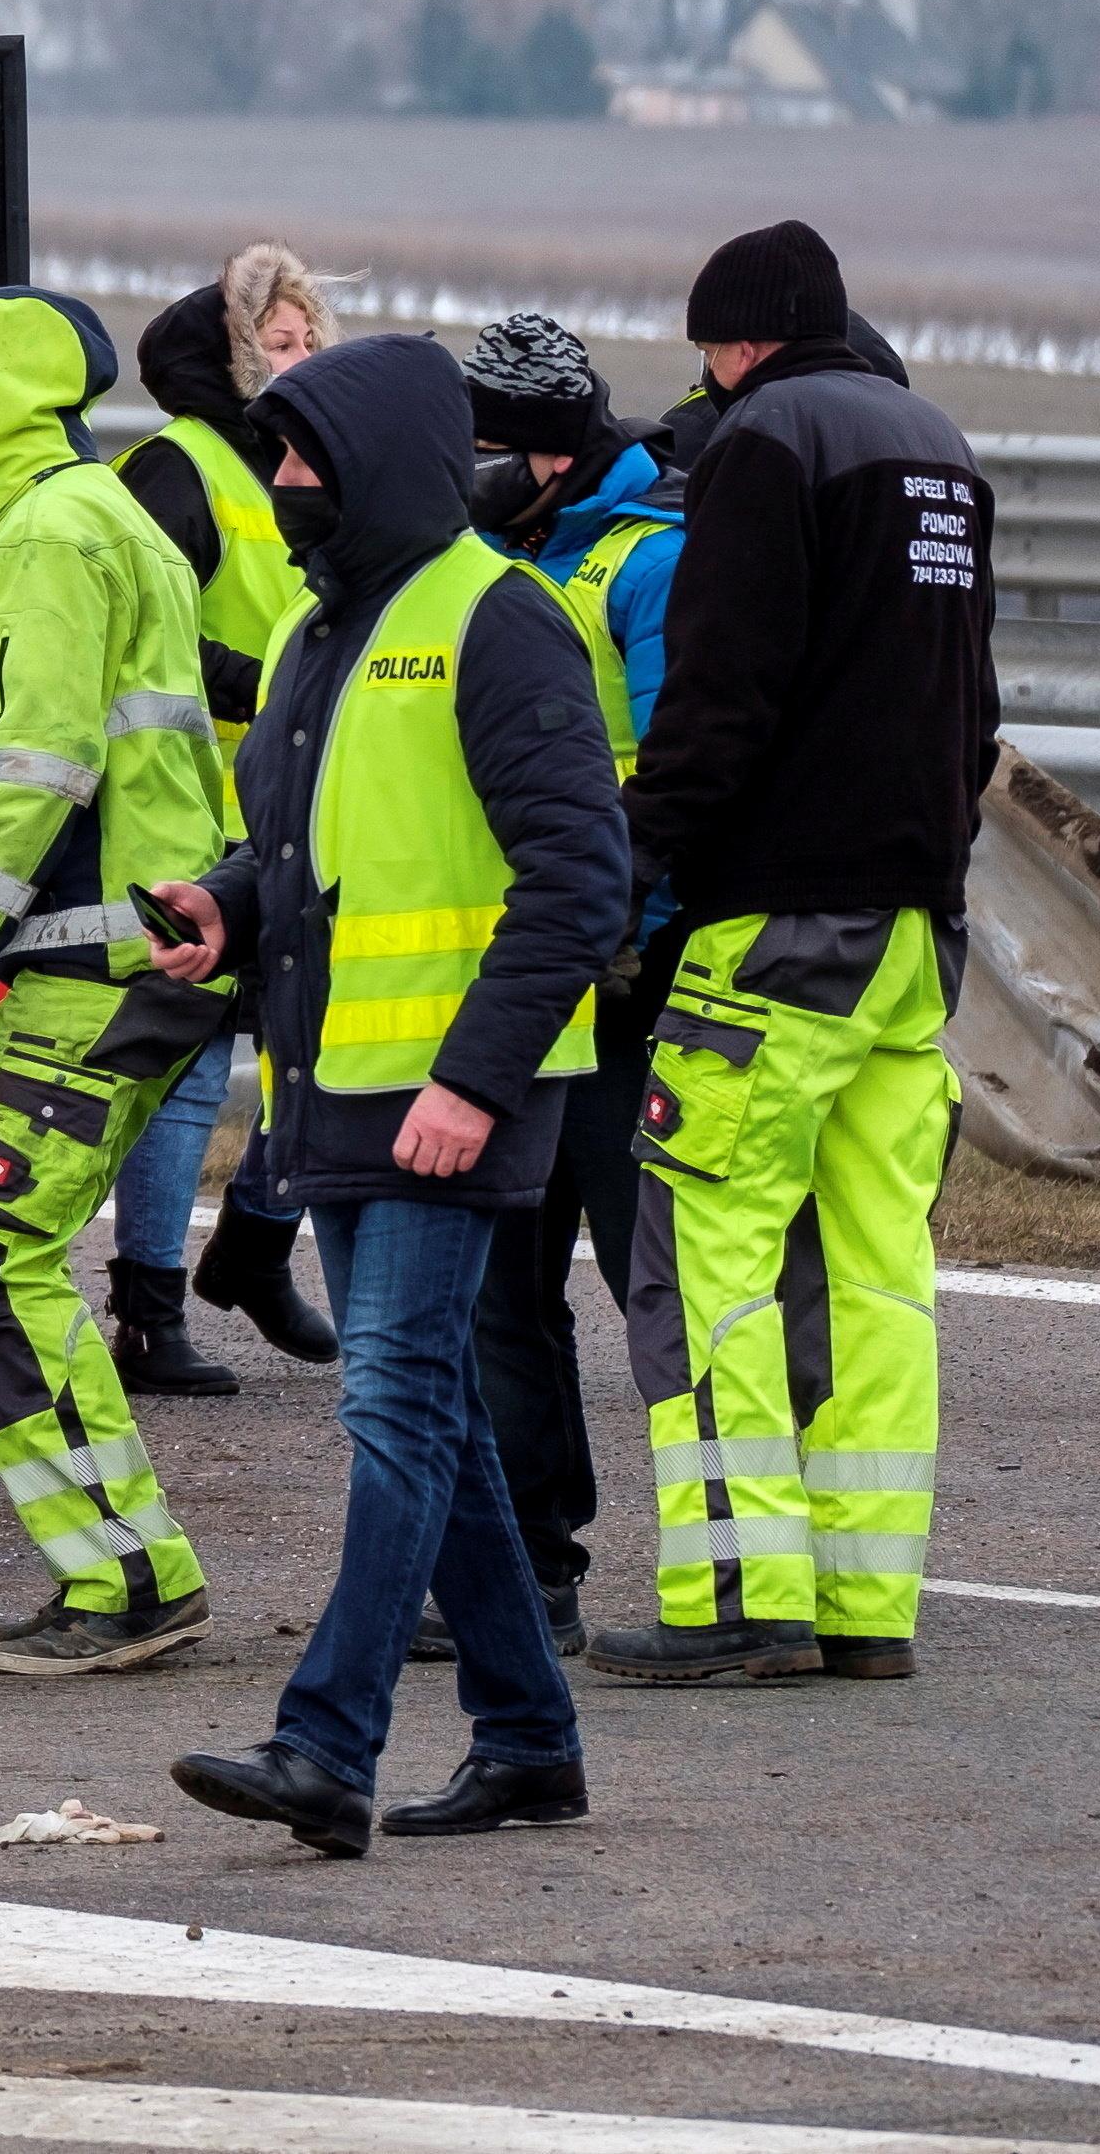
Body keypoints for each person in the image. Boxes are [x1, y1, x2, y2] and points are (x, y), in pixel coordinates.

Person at [146, 332, 627, 1855]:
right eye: (276, 454)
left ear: (378, 464)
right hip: (335, 1086)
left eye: (302, 457)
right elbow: (303, 854)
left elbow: (578, 881)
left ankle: (322, 1742)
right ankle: (530, 1739)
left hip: (446, 1100)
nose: (281, 482)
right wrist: (225, 901)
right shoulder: (313, 632)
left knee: (394, 1406)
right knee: (439, 1417)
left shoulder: (499, 617)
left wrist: (473, 1080)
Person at [594, 221, 996, 1688]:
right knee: (877, 1271)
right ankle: (859, 1603)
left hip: (772, 925)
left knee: (705, 1259)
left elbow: (717, 698)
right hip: (911, 931)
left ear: (739, 338)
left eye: (705, 344)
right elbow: (978, 711)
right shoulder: (937, 445)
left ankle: (730, 1596)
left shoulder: (763, 443)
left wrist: (622, 872)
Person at [0, 286, 232, 1676]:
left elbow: (38, 776)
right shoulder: (102, 516)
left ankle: (129, 1579)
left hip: (91, 967)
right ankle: (128, 1566)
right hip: (114, 954)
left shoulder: (41, 536)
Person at [444, 311, 682, 1657]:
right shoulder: (482, 553)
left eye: (485, 445)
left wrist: (610, 918)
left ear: (542, 448)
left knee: (648, 1279)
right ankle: (531, 1569)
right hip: (519, 974)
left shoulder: (651, 559)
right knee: (498, 1292)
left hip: (623, 973)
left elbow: (668, 765)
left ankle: (727, 1565)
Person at [108, 245, 342, 1387]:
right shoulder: (178, 466)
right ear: (233, 352)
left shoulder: (295, 467)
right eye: (279, 343)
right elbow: (138, 644)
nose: (299, 362)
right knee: (192, 1067)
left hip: (288, 807)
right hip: (191, 815)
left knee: (312, 1046)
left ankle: (249, 1244)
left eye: (309, 342)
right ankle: (148, 1312)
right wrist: (276, 689)